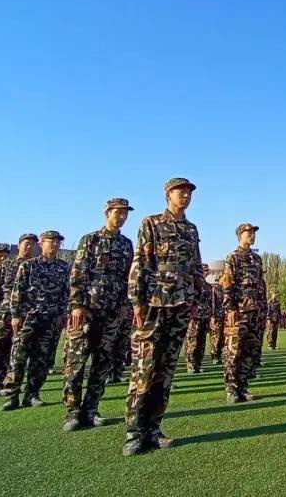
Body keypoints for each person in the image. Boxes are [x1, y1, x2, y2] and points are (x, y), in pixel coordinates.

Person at [123, 178, 205, 457]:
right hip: (155, 304)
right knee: (144, 367)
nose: (186, 196)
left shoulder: (191, 229)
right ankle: (134, 433)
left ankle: (154, 429)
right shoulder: (152, 223)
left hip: (181, 304)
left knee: (166, 370)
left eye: (189, 193)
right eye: (180, 192)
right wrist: (137, 301)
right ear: (168, 194)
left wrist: (195, 300)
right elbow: (141, 262)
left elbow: (195, 267)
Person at [62, 198, 135, 432]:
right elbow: (78, 273)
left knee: (102, 363)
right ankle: (72, 412)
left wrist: (124, 305)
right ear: (107, 213)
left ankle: (91, 409)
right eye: (118, 212)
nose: (121, 217)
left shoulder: (126, 244)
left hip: (112, 312)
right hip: (87, 311)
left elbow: (128, 277)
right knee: (75, 363)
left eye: (125, 213)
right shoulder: (90, 239)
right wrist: (77, 305)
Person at [1, 230, 70, 411]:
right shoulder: (29, 265)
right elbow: (17, 291)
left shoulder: (64, 267)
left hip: (50, 320)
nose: (55, 244)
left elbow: (66, 294)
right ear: (41, 243)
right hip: (28, 318)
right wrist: (15, 315)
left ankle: (32, 394)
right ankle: (12, 396)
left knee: (41, 360)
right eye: (50, 241)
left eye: (57, 242)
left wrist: (62, 315)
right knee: (18, 358)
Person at [0, 233, 37, 397]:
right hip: (4, 312)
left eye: (33, 244)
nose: (29, 246)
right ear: (19, 245)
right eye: (26, 243)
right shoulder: (7, 265)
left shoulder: (35, 265)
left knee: (16, 351)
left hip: (25, 313)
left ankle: (5, 382)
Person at [220, 223, 264, 403]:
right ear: (240, 235)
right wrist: (230, 308)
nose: (252, 236)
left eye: (253, 233)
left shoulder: (257, 259)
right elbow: (227, 284)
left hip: (255, 312)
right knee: (233, 350)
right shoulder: (233, 257)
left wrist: (262, 309)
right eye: (249, 233)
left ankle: (243, 387)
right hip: (239, 312)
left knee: (250, 351)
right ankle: (231, 389)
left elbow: (261, 285)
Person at [185, 264, 212, 373]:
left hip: (205, 317)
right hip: (194, 317)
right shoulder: (192, 285)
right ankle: (190, 364)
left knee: (201, 342)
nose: (205, 273)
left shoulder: (208, 286)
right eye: (203, 271)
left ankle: (198, 364)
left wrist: (210, 315)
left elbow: (211, 303)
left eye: (206, 271)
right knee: (192, 341)